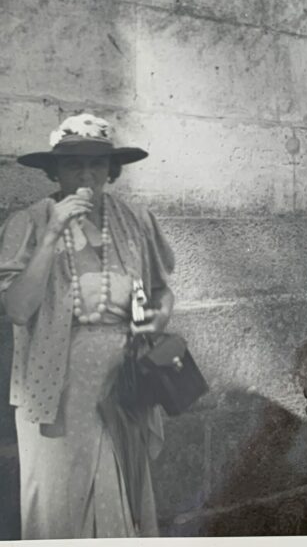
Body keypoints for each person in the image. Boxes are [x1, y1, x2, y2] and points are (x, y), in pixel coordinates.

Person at [0, 113, 175, 538]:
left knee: (121, 499)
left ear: (110, 170)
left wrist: (161, 314)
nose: (85, 175)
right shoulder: (31, 222)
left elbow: (158, 289)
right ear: (55, 171)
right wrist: (53, 233)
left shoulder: (135, 220)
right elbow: (19, 310)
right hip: (57, 391)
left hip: (124, 386)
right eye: (73, 165)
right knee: (60, 501)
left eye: (96, 164)